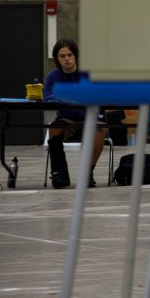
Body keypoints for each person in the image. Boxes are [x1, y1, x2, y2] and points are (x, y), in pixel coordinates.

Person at [43, 38, 106, 189]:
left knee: (100, 128)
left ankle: (88, 173)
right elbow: (48, 96)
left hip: (89, 119)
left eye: (70, 55)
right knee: (53, 128)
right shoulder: (53, 76)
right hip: (66, 119)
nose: (67, 59)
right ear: (57, 59)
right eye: (62, 56)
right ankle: (59, 173)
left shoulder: (88, 74)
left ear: (76, 56)